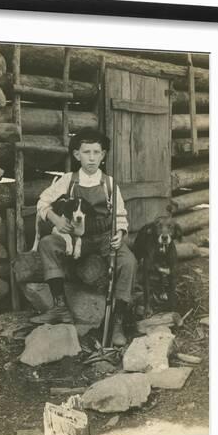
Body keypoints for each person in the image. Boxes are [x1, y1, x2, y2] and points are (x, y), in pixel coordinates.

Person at [30, 127, 137, 346]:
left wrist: (119, 233)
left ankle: (117, 321)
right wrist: (56, 219)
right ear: (77, 155)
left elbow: (121, 215)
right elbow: (42, 202)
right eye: (86, 152)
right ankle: (60, 308)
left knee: (129, 262)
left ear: (103, 155)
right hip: (75, 236)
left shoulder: (109, 184)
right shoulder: (68, 181)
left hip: (105, 236)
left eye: (96, 152)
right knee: (48, 244)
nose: (91, 158)